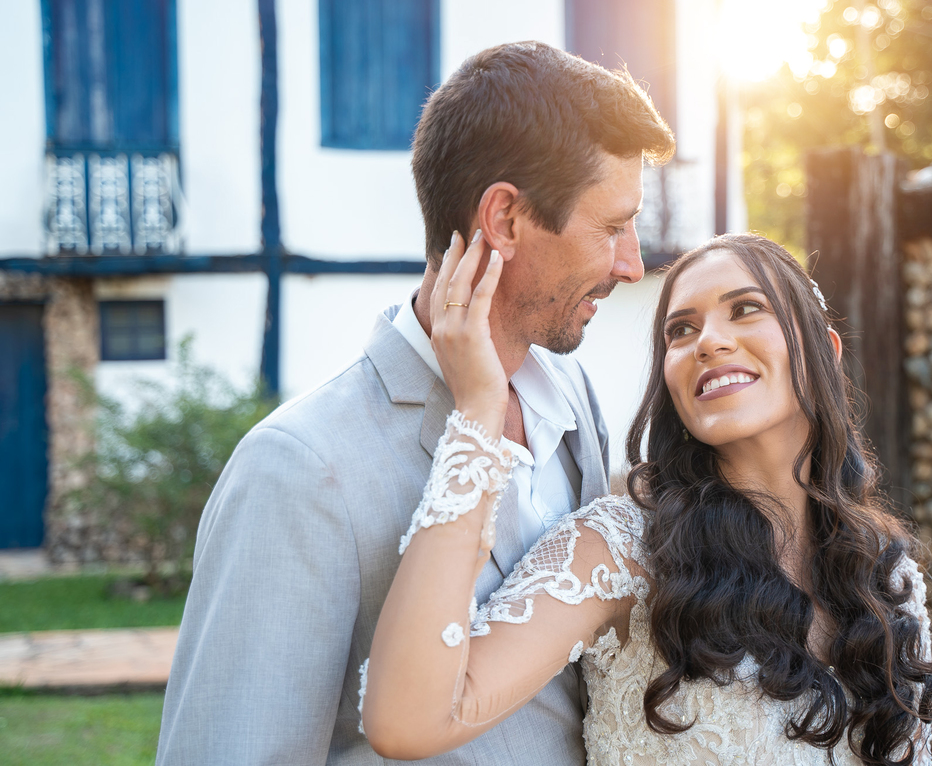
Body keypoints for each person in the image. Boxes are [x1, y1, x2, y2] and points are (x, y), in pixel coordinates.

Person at [156, 42, 675, 765]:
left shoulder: (573, 398)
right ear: (505, 219)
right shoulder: (299, 469)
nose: (633, 264)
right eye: (613, 227)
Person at [360, 232, 932, 765]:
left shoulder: (886, 575)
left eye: (745, 309)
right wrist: (478, 415)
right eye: (681, 330)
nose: (708, 342)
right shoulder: (619, 551)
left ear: (825, 350)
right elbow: (407, 720)